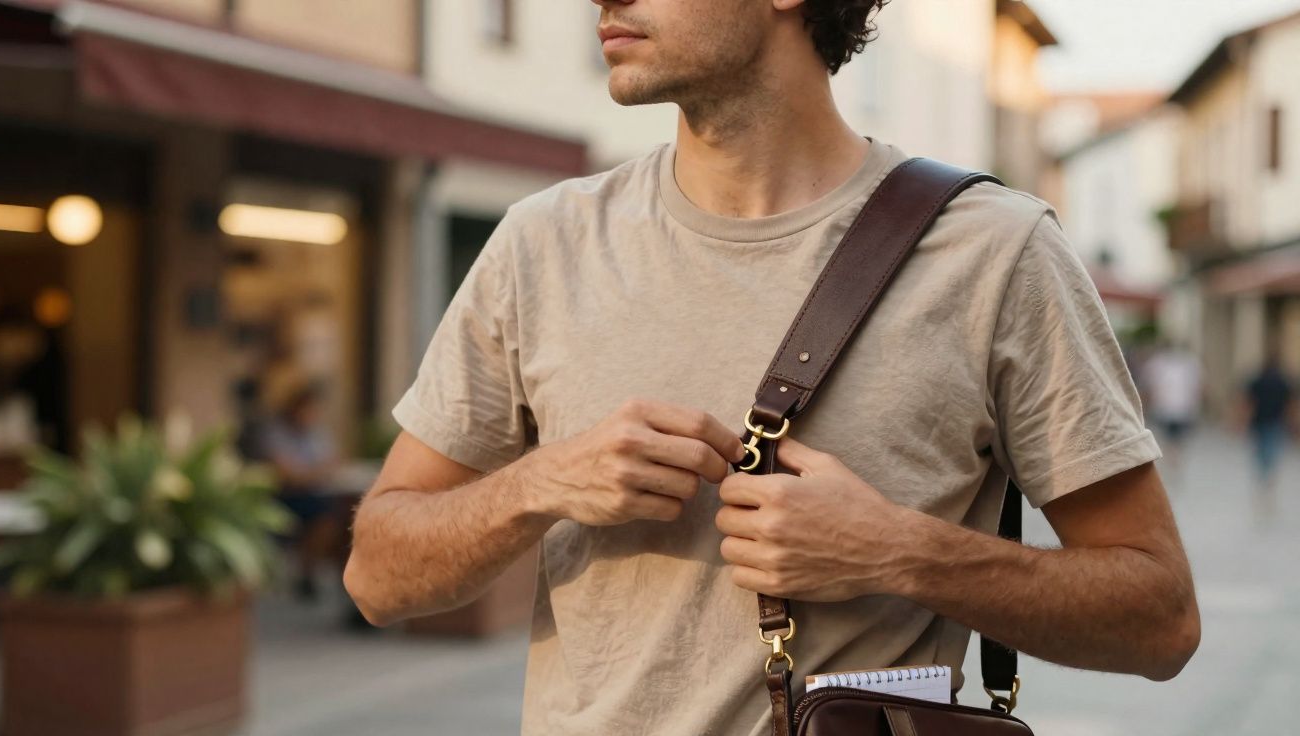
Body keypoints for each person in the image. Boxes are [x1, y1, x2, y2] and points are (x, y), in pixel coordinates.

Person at [345, 2, 1199, 733]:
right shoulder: (542, 244)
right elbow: (377, 578)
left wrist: (901, 553)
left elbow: (1160, 620)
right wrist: (540, 483)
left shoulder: (996, 253)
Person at [264, 381, 340, 602]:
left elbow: (332, 464)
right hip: (284, 497)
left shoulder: (317, 433)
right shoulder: (276, 432)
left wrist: (311, 473)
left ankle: (309, 572)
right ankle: (305, 573)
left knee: (336, 516)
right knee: (324, 516)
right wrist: (315, 472)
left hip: (314, 495)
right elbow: (288, 475)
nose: (312, 414)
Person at [1140, 341, 1204, 484]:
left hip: (1172, 408)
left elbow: (1149, 387)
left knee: (1172, 438)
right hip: (1175, 408)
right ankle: (1174, 458)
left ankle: (1173, 458)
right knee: (1174, 438)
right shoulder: (1189, 363)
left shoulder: (1160, 363)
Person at [1240, 354, 1295, 519]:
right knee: (1271, 455)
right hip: (1275, 424)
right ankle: (1268, 486)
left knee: (1261, 456)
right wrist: (1292, 422)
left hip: (1259, 423)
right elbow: (1290, 404)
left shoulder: (1257, 380)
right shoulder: (1283, 382)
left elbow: (1248, 402)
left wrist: (1241, 421)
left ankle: (1263, 484)